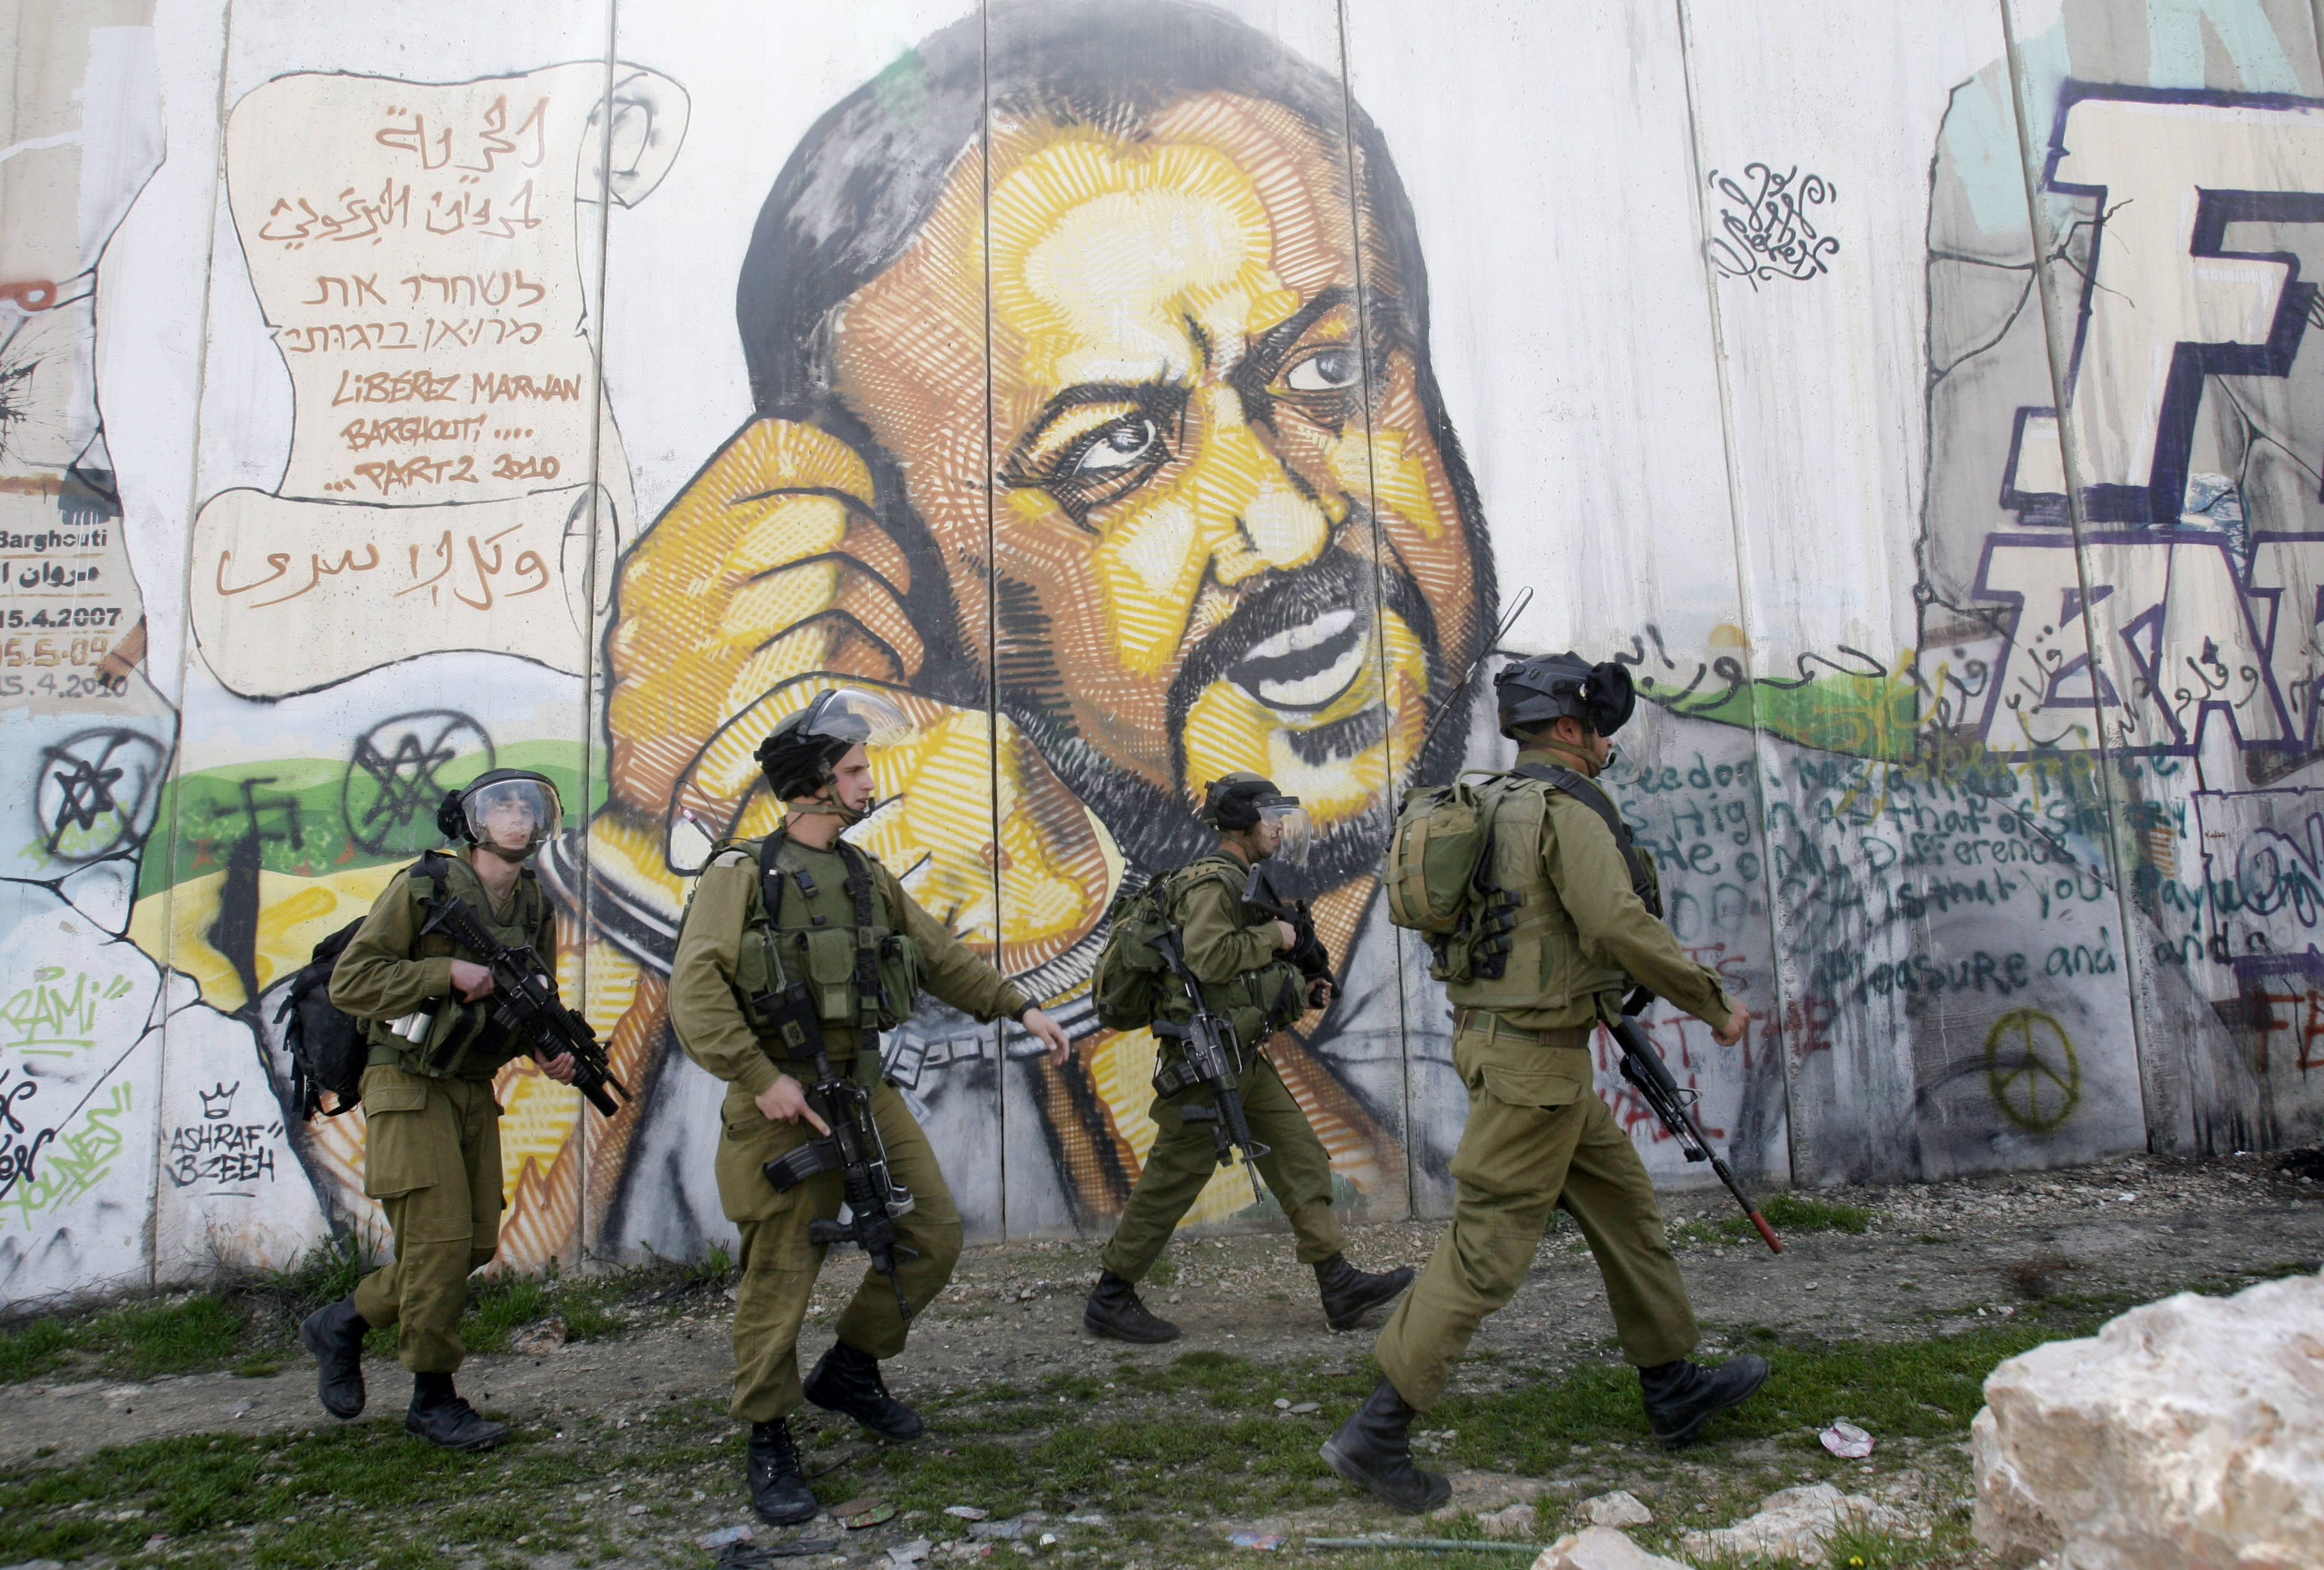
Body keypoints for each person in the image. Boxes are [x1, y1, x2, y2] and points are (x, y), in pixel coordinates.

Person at [566, 0, 1499, 1245]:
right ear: (886, 570)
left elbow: (1355, 1230)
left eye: (1332, 370)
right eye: (1115, 448)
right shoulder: (838, 916)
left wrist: (1081, 955)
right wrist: (649, 832)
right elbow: (481, 1255)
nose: (1282, 522)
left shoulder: (1808, 875)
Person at [1323, 654, 1768, 1513]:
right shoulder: (1564, 811)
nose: (1605, 739)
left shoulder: (1487, 801)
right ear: (1565, 728)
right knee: (1487, 1247)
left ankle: (1670, 1380)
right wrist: (1709, 1000)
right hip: (1534, 1066)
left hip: (1520, 1052)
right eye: (1595, 722)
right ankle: (1377, 1429)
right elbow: (1612, 918)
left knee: (1624, 1207)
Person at [667, 688, 1073, 1526]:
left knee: (930, 1229)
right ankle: (767, 1430)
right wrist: (756, 1074)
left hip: (861, 1083)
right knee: (781, 1265)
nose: (864, 780)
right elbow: (695, 991)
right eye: (851, 769)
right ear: (813, 782)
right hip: (779, 1096)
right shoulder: (742, 874)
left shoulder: (864, 874)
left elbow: (936, 956)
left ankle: (850, 1367)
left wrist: (1017, 1004)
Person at [299, 770, 581, 1451]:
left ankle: (344, 1321)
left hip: (469, 1088)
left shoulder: (534, 906)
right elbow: (353, 980)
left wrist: (547, 1048)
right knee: (439, 1246)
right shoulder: (423, 887)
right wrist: (442, 973)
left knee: (477, 1242)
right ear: (474, 821)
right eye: (502, 806)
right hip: (406, 1083)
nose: (517, 817)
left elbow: (524, 999)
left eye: (528, 807)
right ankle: (433, 1398)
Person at [1083, 772, 1414, 1343]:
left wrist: (1297, 983)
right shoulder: (1214, 882)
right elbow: (1210, 959)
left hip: (1239, 1057)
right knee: (1172, 1180)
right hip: (1205, 1063)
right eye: (1271, 817)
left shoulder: (1240, 880)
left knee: (1300, 1156)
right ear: (1245, 824)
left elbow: (1232, 977)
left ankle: (1337, 1283)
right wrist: (1277, 940)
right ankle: (1110, 1297)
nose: (1280, 827)